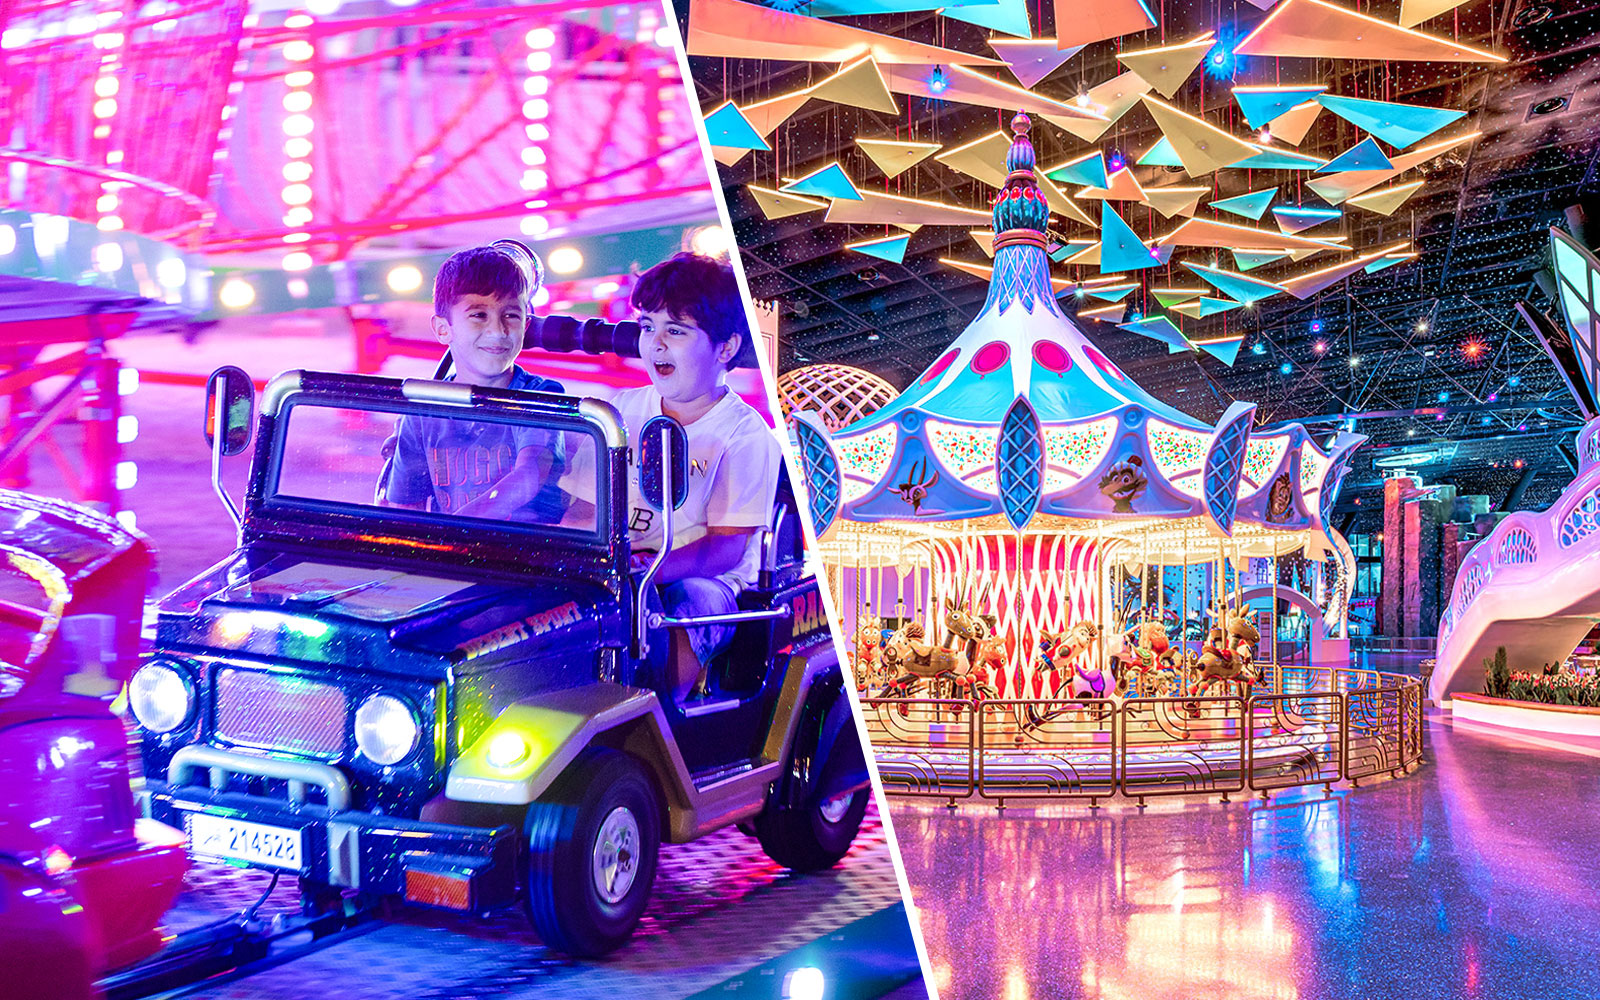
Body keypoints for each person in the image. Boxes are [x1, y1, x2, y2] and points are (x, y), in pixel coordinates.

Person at [568, 252, 780, 702]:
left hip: (706, 579)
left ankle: (657, 713)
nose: (656, 345)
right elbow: (583, 511)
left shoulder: (745, 434)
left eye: (676, 331)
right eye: (648, 328)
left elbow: (725, 550)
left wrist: (644, 571)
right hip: (618, 568)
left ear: (725, 349)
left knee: (686, 604)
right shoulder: (617, 412)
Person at [379, 244, 567, 521]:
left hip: (526, 546)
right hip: (450, 548)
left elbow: (529, 474)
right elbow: (406, 507)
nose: (498, 330)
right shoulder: (422, 410)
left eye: (511, 315)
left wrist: (456, 530)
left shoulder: (541, 395)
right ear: (443, 329)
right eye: (479, 315)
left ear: (525, 325)